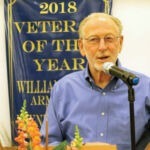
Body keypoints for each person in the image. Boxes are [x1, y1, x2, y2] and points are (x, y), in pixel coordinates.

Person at [40, 13, 150, 150]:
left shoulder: (143, 87)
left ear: (120, 43)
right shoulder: (63, 89)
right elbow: (48, 143)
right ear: (81, 46)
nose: (102, 47)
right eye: (94, 40)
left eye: (109, 38)